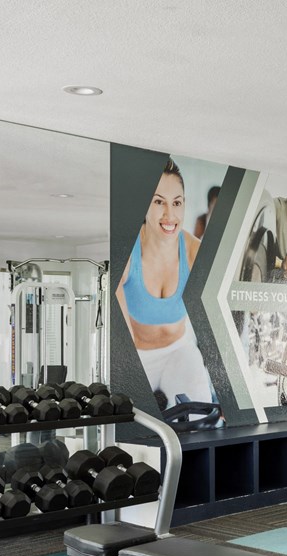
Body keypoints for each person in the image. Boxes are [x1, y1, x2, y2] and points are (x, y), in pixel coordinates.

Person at [116, 159, 214, 407]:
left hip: (178, 351)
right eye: (159, 202)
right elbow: (120, 339)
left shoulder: (194, 252)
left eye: (177, 203)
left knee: (201, 413)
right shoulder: (127, 253)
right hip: (137, 357)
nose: (170, 215)